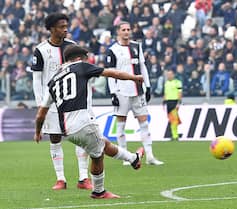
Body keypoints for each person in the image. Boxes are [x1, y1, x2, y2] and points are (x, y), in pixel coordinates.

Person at [34, 44, 144, 199]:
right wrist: (134, 78)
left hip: (66, 129)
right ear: (79, 58)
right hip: (83, 122)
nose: (88, 60)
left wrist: (38, 133)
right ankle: (99, 191)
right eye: (86, 58)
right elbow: (113, 72)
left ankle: (133, 159)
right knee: (97, 156)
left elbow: (40, 114)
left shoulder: (53, 81)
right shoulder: (81, 66)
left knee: (102, 144)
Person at [31, 13, 92, 190]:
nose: (65, 29)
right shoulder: (41, 50)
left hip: (73, 100)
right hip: (51, 102)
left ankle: (83, 178)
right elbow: (37, 79)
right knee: (55, 138)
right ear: (51, 29)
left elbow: (82, 70)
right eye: (61, 26)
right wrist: (40, 104)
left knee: (81, 137)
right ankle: (61, 179)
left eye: (66, 25)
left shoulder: (73, 47)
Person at [105, 21, 164, 165]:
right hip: (121, 92)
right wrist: (113, 93)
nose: (126, 32)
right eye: (123, 29)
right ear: (118, 32)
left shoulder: (136, 46)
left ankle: (150, 156)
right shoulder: (113, 50)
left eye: (128, 29)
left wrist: (148, 86)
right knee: (120, 126)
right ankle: (125, 157)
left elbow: (142, 67)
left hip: (138, 91)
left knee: (144, 124)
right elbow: (110, 72)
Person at [163, 69, 182, 141]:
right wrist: (164, 102)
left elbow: (179, 93)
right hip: (168, 102)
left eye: (170, 74)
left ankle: (175, 135)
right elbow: (165, 93)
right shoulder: (166, 83)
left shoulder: (178, 82)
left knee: (174, 120)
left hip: (174, 102)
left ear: (173, 75)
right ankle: (174, 135)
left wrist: (179, 102)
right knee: (171, 120)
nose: (169, 76)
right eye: (168, 74)